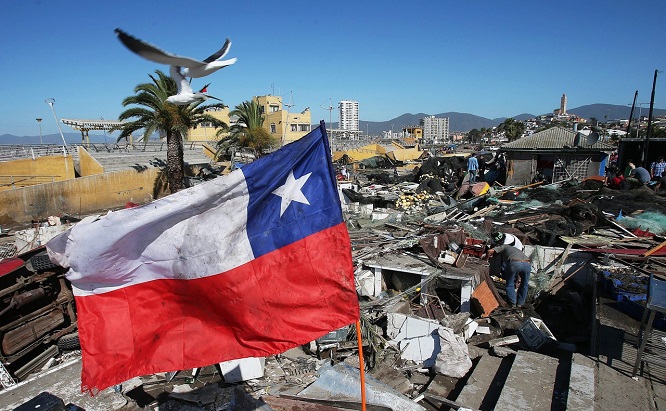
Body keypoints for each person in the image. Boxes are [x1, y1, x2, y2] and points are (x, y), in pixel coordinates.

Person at [487, 242, 531, 307]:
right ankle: (520, 304)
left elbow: (489, 251)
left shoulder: (504, 246)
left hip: (514, 263)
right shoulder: (515, 250)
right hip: (527, 264)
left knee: (510, 283)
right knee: (524, 284)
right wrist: (517, 279)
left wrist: (486, 260)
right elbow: (520, 267)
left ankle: (512, 303)